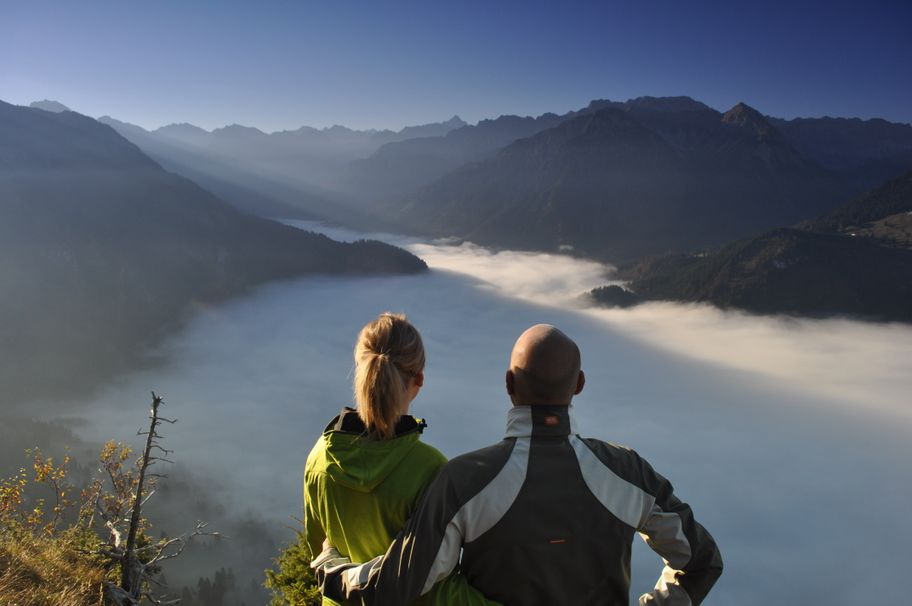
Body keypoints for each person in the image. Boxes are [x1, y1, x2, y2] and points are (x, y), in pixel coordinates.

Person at [312, 323, 723, 606]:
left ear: (509, 383)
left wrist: (330, 570)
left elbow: (397, 587)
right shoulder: (628, 473)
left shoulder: (464, 480)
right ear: (579, 385)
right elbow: (702, 560)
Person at [303, 312, 499, 606]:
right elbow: (433, 585)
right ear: (419, 378)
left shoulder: (320, 458)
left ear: (361, 369)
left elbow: (320, 551)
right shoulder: (430, 468)